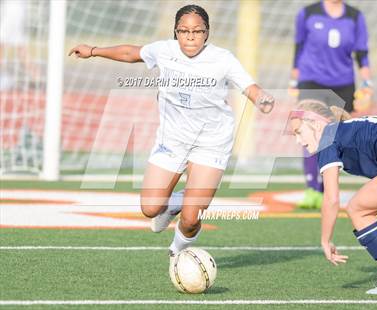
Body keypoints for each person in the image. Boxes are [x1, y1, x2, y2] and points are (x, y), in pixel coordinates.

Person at [69, 5, 273, 258]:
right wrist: (93, 51)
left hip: (211, 143)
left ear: (207, 33)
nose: (190, 36)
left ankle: (176, 252)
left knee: (191, 218)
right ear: (175, 32)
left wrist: (261, 98)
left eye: (197, 31)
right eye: (184, 31)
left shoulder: (223, 59)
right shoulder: (163, 50)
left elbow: (250, 86)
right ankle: (175, 202)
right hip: (172, 141)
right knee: (150, 208)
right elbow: (130, 53)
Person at [288, 99, 377, 295]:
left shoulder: (327, 136)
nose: (298, 141)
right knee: (362, 206)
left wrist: (325, 239)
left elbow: (331, 199)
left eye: (298, 132)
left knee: (357, 209)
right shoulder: (352, 132)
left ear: (315, 123)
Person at [289, 0, 373, 209]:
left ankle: (327, 190)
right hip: (311, 80)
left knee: (335, 137)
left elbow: (362, 54)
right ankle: (311, 189)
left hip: (343, 83)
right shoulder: (307, 13)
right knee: (307, 130)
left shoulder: (355, 16)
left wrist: (367, 84)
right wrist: (294, 80)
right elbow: (298, 48)